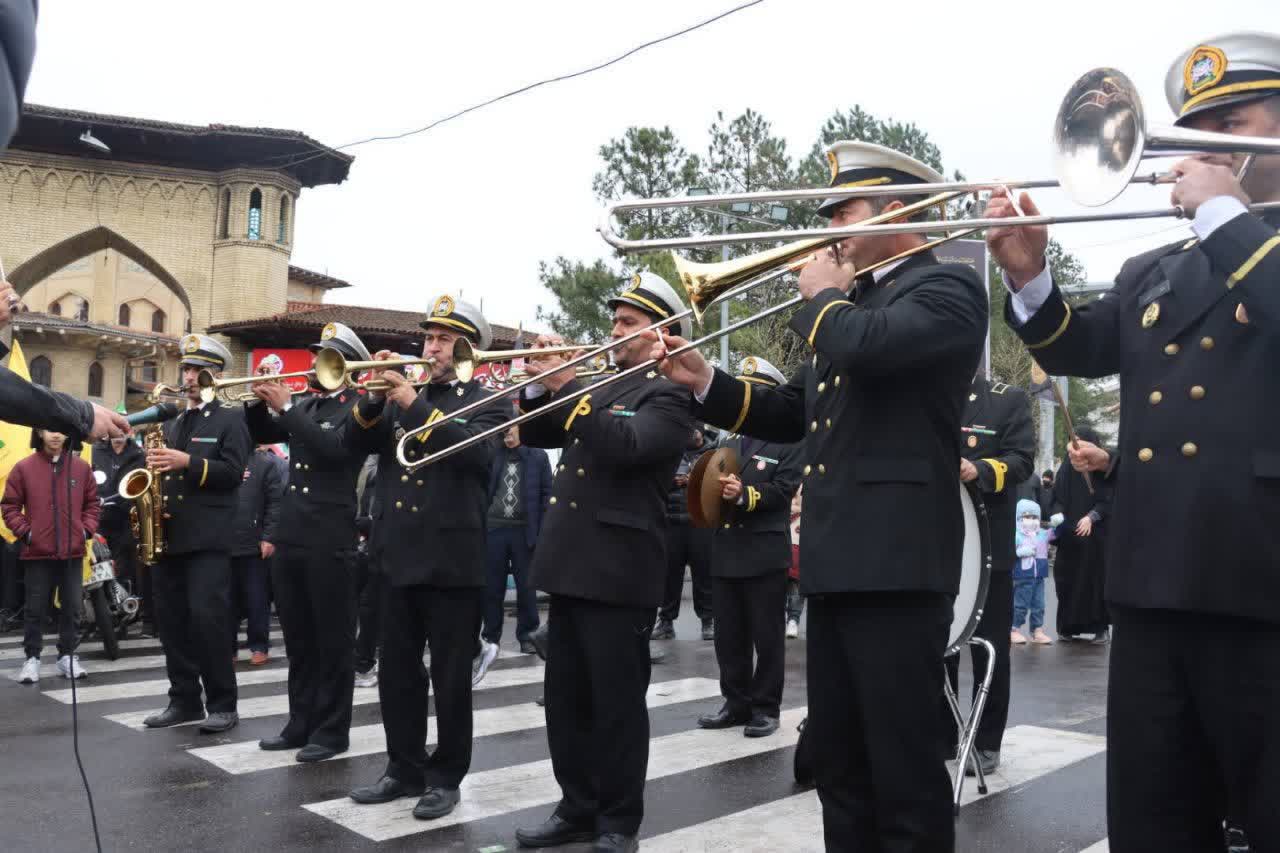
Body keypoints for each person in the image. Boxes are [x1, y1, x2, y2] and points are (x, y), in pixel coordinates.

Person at [985, 31, 1280, 850]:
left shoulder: (1244, 241)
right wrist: (1028, 275)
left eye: (1234, 121)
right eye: (1196, 130)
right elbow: (1081, 344)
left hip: (1264, 587)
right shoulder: (1155, 268)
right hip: (1153, 588)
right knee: (1156, 820)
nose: (1208, 146)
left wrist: (1225, 213)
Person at [652, 142, 988, 850]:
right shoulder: (848, 310)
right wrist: (704, 381)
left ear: (900, 210)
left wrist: (822, 298)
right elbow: (790, 409)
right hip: (838, 566)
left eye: (845, 210)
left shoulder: (946, 289)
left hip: (899, 569)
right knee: (841, 764)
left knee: (904, 773)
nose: (830, 228)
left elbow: (868, 346)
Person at [513, 272, 693, 853]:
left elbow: (630, 445)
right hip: (571, 564)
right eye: (615, 320)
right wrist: (545, 385)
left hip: (620, 570)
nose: (613, 330)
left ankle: (618, 819)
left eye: (627, 323)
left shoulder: (669, 395)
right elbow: (538, 429)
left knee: (615, 705)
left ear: (659, 333)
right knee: (566, 701)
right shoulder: (602, 385)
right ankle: (577, 805)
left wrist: (571, 384)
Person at [344, 297, 508, 821]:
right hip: (395, 556)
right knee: (397, 672)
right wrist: (373, 398)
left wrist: (414, 403)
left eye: (442, 340)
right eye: (429, 338)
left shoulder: (488, 400)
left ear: (468, 349)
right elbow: (353, 442)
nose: (430, 347)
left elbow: (477, 455)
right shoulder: (401, 397)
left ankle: (446, 776)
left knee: (451, 677)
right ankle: (403, 767)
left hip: (451, 560)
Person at [246, 322, 369, 762]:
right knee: (299, 639)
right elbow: (259, 430)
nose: (316, 364)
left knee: (333, 641)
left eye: (326, 357)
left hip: (330, 538)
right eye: (317, 355)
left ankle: (332, 731)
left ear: (347, 366)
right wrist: (259, 396)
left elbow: (333, 449)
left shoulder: (356, 408)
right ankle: (300, 722)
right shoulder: (308, 406)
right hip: (293, 537)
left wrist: (287, 408)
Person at [141, 334, 251, 734]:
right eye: (185, 369)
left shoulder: (231, 418)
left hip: (208, 539)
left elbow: (231, 473)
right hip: (169, 534)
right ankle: (183, 699)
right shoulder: (172, 419)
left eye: (195, 370)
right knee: (172, 622)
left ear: (216, 374)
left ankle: (223, 703)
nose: (187, 376)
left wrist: (188, 461)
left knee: (209, 621)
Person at [696, 356, 802, 739]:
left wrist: (746, 495)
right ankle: (735, 702)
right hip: (727, 549)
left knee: (767, 636)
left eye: (754, 393)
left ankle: (765, 707)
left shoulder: (789, 439)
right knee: (729, 636)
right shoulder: (731, 440)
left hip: (764, 552)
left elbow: (783, 490)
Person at [944, 374, 1034, 775]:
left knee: (988, 648)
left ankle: (985, 742)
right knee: (936, 647)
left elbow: (1022, 461)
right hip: (931, 543)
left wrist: (978, 468)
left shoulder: (1005, 400)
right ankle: (941, 734)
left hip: (987, 549)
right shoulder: (924, 392)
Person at [3, 428, 101, 683]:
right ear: (39, 433)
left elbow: (92, 503)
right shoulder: (24, 467)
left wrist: (86, 530)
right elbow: (10, 506)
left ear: (68, 435)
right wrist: (28, 534)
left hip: (72, 551)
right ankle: (32, 658)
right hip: (37, 552)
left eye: (60, 431)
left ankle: (67, 655)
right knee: (35, 609)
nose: (55, 435)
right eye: (49, 430)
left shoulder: (80, 468)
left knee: (72, 608)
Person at [483, 425, 551, 653]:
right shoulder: (494, 454)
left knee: (526, 587)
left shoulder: (537, 457)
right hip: (495, 529)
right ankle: (490, 637)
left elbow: (546, 494)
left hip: (524, 531)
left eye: (511, 431)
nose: (507, 436)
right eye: (503, 433)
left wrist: (542, 531)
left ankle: (527, 636)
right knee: (492, 587)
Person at [1048, 429, 1113, 643]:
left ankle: (1099, 628)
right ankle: (1068, 626)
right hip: (1069, 537)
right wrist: (1057, 513)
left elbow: (1108, 500)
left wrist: (1091, 517)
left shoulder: (1100, 468)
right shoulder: (1066, 469)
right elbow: (1057, 497)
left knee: (1094, 581)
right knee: (1067, 580)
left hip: (1094, 538)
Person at [653, 426, 714, 641]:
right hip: (671, 521)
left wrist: (693, 480)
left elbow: (719, 485)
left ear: (701, 432)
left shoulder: (712, 453)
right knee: (670, 575)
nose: (691, 434)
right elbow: (654, 483)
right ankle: (666, 622)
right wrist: (673, 481)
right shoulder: (669, 451)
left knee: (704, 574)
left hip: (701, 522)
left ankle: (708, 620)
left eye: (694, 430)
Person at [228, 443, 285, 665]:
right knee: (225, 602)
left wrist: (269, 536)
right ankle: (227, 648)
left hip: (254, 546)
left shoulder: (264, 463)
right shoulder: (221, 460)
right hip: (223, 544)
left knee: (257, 600)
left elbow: (275, 503)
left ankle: (259, 646)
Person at [92, 433, 149, 628]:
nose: (118, 435)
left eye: (122, 430)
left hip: (127, 520)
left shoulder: (139, 455)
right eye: (114, 430)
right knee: (99, 568)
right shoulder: (95, 451)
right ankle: (101, 611)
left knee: (125, 568)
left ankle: (127, 612)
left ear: (130, 432)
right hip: (100, 519)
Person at [1011, 498, 1058, 645]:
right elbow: (1009, 552)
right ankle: (1013, 629)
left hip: (1039, 577)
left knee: (1039, 605)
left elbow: (1056, 534)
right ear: (1019, 517)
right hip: (1022, 576)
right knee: (1020, 605)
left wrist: (1057, 525)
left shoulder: (1042, 534)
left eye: (1034, 517)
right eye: (1027, 516)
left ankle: (1037, 630)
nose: (1031, 520)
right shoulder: (1016, 534)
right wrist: (1019, 552)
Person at [353, 453, 381, 688]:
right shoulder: (365, 465)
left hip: (383, 544)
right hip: (362, 545)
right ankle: (363, 661)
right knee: (364, 606)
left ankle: (365, 663)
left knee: (370, 607)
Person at [785, 487, 803, 638]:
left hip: (797, 565)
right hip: (779, 560)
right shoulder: (780, 516)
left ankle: (793, 620)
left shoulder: (804, 517)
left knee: (795, 594)